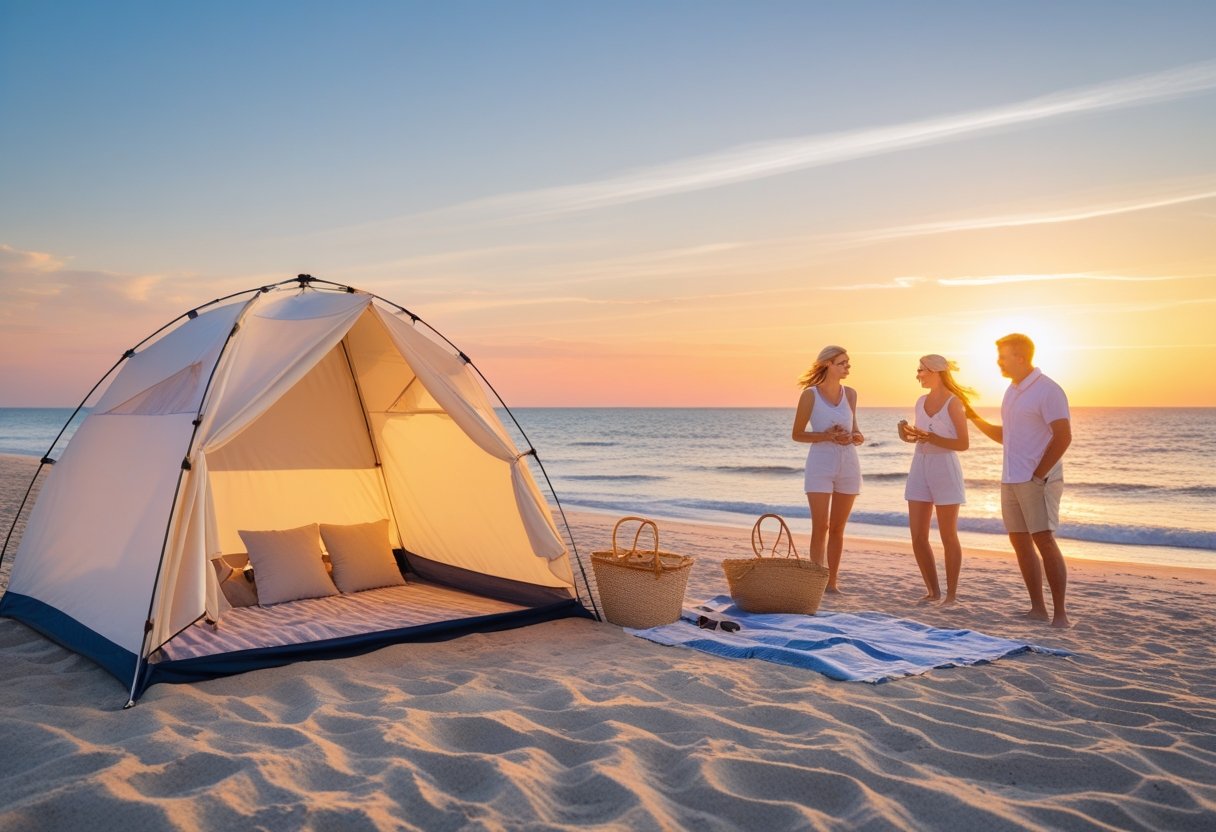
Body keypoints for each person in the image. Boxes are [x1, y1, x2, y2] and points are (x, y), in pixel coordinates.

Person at [965, 333, 1072, 628]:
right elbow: (1007, 437)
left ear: (1021, 358)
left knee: (1044, 540)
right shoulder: (1012, 391)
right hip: (1010, 478)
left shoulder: (1048, 390)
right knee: (1019, 541)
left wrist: (1039, 475)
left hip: (1038, 478)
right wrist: (973, 418)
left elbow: (1064, 436)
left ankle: (1060, 614)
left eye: (1003, 356)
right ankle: (1038, 608)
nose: (998, 362)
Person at [897, 354, 973, 605]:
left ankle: (951, 595)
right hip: (920, 466)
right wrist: (906, 433)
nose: (917, 375)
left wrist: (930, 437)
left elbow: (963, 443)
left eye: (921, 370)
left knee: (948, 535)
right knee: (918, 536)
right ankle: (933, 591)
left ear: (935, 372)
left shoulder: (954, 403)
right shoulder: (920, 401)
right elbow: (920, 438)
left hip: (945, 469)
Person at [792, 345, 864, 593]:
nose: (847, 367)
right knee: (820, 526)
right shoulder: (810, 395)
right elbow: (797, 434)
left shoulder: (851, 394)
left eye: (848, 362)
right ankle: (816, 582)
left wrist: (854, 437)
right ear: (827, 364)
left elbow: (855, 430)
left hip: (848, 464)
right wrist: (827, 436)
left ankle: (832, 583)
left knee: (837, 528)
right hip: (820, 465)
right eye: (842, 363)